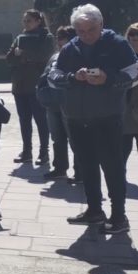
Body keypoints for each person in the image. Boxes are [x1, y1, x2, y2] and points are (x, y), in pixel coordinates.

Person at [49, 4, 138, 234]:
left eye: (91, 29)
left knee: (113, 167)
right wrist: (72, 77)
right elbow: (53, 76)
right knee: (86, 165)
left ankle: (119, 216)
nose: (86, 35)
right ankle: (94, 210)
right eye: (81, 30)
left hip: (107, 116)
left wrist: (109, 79)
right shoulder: (70, 48)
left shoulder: (117, 44)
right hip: (77, 118)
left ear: (101, 24)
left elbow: (135, 72)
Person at [6, 9, 54, 165]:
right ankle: (27, 151)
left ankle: (44, 152)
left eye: (29, 20)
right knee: (24, 120)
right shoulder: (20, 37)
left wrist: (23, 55)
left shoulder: (46, 37)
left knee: (41, 120)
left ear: (38, 21)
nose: (26, 23)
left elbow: (45, 57)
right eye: (24, 21)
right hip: (19, 85)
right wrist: (17, 56)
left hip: (36, 85)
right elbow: (9, 57)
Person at [38, 26, 78, 181]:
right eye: (58, 38)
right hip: (53, 103)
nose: (58, 41)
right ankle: (60, 168)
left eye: (62, 38)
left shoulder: (75, 55)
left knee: (74, 139)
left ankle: (80, 172)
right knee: (57, 138)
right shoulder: (55, 55)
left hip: (69, 103)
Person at [124, 23, 138, 167]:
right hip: (125, 111)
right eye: (131, 38)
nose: (134, 41)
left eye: (137, 38)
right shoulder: (122, 56)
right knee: (121, 152)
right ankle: (118, 184)